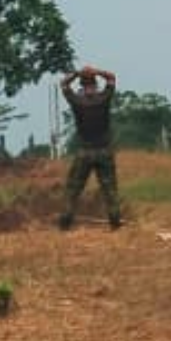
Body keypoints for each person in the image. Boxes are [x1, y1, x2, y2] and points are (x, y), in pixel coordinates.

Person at [58, 64, 123, 230]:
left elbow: (64, 85)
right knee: (110, 189)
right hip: (104, 151)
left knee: (73, 189)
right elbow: (111, 77)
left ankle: (65, 222)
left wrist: (78, 72)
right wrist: (96, 71)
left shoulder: (77, 102)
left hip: (84, 152)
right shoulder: (104, 99)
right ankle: (115, 221)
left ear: (82, 86)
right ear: (95, 85)